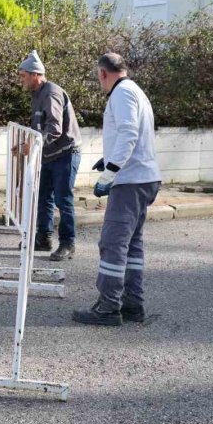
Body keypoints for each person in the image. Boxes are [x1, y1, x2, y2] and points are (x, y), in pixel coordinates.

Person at [73, 53, 162, 327]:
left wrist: (110, 171)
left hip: (130, 181)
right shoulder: (135, 90)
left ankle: (109, 307)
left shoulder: (121, 94)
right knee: (132, 245)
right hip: (144, 177)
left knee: (113, 243)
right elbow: (134, 134)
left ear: (103, 73)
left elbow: (128, 133)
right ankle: (133, 304)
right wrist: (109, 158)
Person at [17, 50, 82, 260]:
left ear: (35, 74)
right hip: (49, 155)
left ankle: (67, 244)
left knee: (63, 200)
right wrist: (24, 146)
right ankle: (43, 238)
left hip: (65, 153)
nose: (21, 80)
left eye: (23, 75)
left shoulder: (51, 93)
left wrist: (34, 147)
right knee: (44, 197)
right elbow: (39, 128)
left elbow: (54, 129)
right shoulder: (37, 94)